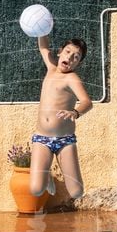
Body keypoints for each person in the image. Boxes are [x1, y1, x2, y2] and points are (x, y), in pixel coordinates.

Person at [30, 35, 93, 201]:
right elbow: (43, 47)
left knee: (76, 193)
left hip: (64, 140)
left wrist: (76, 112)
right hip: (42, 138)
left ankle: (49, 170)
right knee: (36, 189)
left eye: (76, 57)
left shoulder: (72, 79)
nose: (70, 57)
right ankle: (46, 174)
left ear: (78, 63)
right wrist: (42, 29)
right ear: (60, 52)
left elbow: (87, 102)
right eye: (67, 52)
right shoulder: (51, 68)